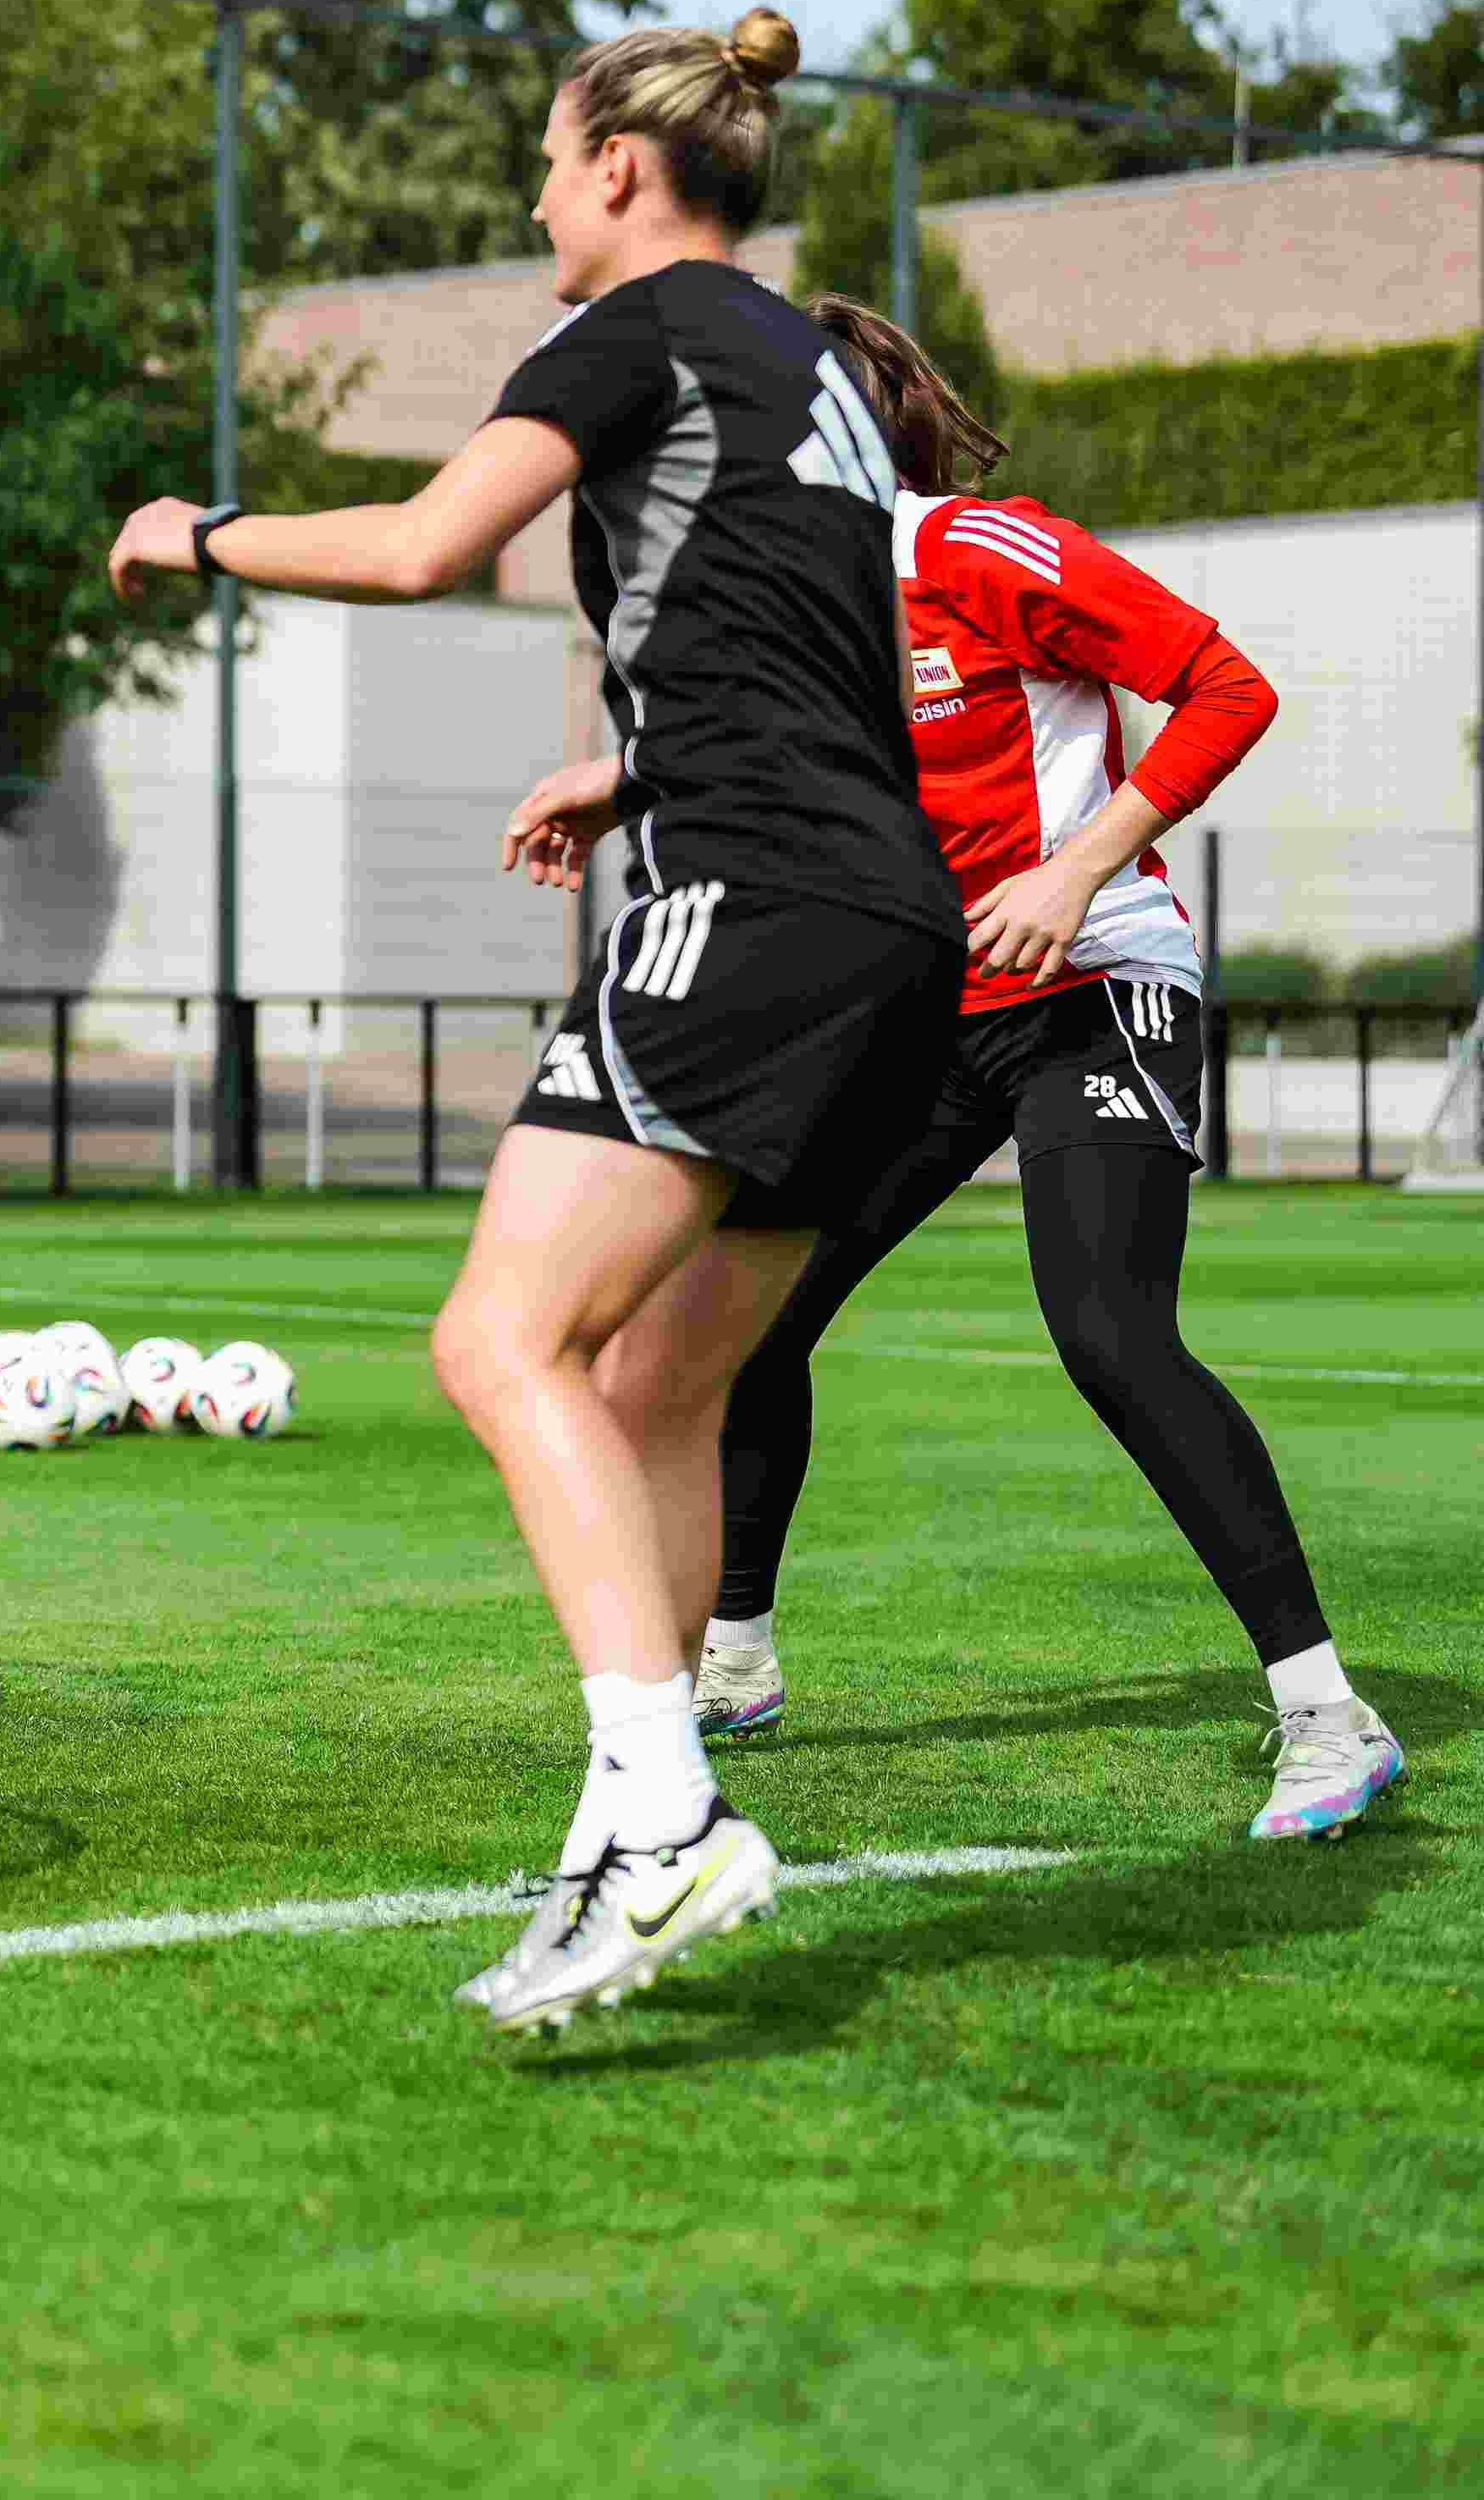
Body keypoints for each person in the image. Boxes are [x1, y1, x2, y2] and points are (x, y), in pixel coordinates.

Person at [108, 8, 963, 2037]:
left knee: (503, 1339)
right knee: (659, 1388)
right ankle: (630, 1823)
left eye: (547, 157)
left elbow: (424, 547)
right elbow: (791, 643)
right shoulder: (816, 366)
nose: (529, 198)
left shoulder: (634, 330)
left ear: (617, 174)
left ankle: (665, 1821)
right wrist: (633, 777)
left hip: (748, 906)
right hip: (885, 924)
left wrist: (199, 530)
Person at [560, 298, 1395, 1841]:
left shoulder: (980, 550)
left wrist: (1079, 869)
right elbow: (763, 751)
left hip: (1095, 985)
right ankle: (735, 1657)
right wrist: (615, 790)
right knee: (748, 1319)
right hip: (926, 1008)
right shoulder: (791, 598)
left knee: (1107, 1335)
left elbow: (1227, 685)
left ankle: (1328, 1714)